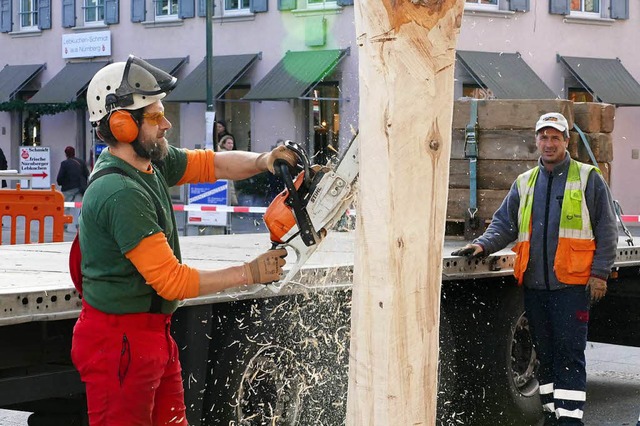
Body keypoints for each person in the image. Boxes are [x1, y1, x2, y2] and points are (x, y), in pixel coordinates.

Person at [71, 55, 298, 426]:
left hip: (151, 334)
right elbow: (172, 281)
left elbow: (214, 164)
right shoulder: (120, 191)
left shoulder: (150, 162)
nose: (166, 124)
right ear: (122, 125)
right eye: (156, 117)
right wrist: (250, 272)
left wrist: (264, 160)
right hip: (120, 343)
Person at [451, 112, 617, 426]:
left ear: (567, 141)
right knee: (547, 356)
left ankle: (570, 420)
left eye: (556, 137)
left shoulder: (587, 177)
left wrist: (600, 273)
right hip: (536, 287)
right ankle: (552, 415)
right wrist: (482, 245)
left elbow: (606, 229)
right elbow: (504, 225)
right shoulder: (525, 182)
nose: (549, 143)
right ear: (536, 140)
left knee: (569, 355)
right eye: (544, 137)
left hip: (572, 286)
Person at [56, 146, 89, 232]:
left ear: (66, 154)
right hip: (80, 188)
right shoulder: (81, 162)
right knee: (78, 207)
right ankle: (79, 226)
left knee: (65, 207)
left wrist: (60, 183)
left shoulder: (64, 164)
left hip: (68, 189)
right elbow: (86, 174)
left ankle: (64, 225)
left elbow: (60, 177)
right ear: (74, 153)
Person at [217, 134, 239, 205]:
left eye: (232, 143)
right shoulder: (225, 154)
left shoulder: (229, 153)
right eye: (228, 143)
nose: (231, 145)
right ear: (223, 144)